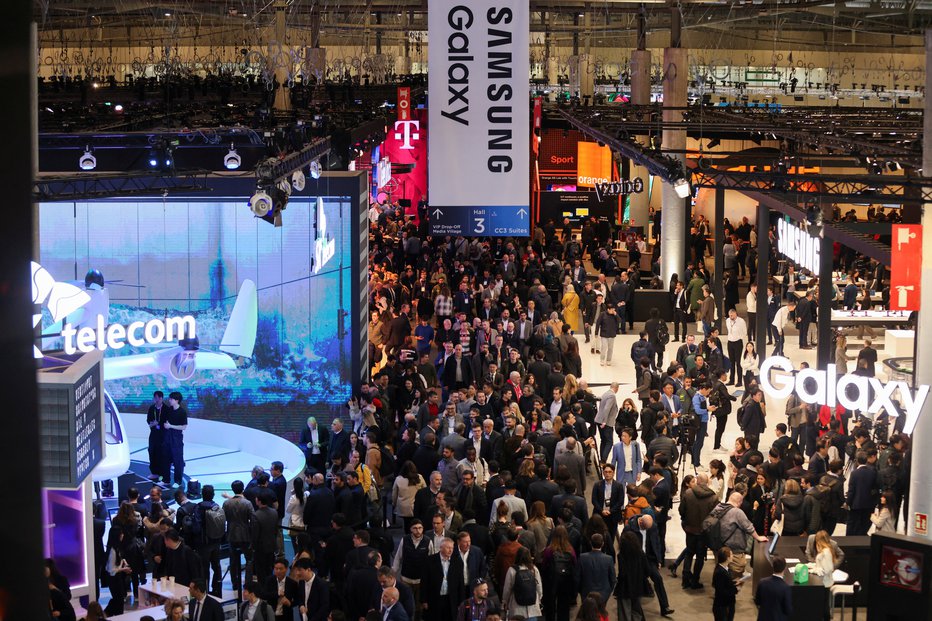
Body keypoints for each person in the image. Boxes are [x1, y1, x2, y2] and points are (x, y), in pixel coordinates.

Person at [622, 514, 673, 617]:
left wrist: (658, 560)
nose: (646, 530)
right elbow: (623, 544)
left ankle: (665, 607)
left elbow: (656, 542)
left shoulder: (652, 526)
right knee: (636, 584)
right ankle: (634, 612)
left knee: (658, 578)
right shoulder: (629, 528)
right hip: (635, 560)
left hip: (649, 559)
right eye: (645, 528)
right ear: (640, 522)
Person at [542, 526, 579, 621]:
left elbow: (544, 566)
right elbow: (574, 566)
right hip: (566, 582)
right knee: (564, 607)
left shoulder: (549, 550)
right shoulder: (571, 550)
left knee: (550, 607)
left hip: (551, 581)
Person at [614, 531, 648, 621]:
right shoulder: (641, 554)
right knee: (636, 611)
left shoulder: (621, 556)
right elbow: (647, 571)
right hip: (638, 587)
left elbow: (622, 574)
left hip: (625, 588)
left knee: (625, 613)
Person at [578, 533, 616, 604]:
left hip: (586, 594)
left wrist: (581, 591)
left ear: (590, 543)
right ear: (603, 544)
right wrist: (607, 592)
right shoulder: (609, 559)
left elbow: (577, 577)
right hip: (603, 595)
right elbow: (613, 579)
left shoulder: (582, 558)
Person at [754, 555, 792, 621]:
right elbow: (788, 610)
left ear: (773, 566)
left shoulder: (762, 582)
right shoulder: (785, 588)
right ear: (784, 568)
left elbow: (757, 601)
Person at [163, 391, 188, 487]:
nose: (169, 400)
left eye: (171, 399)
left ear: (177, 400)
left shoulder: (182, 412)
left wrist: (170, 426)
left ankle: (178, 481)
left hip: (176, 438)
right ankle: (166, 480)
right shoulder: (169, 410)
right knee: (166, 459)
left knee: (178, 460)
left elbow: (184, 427)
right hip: (167, 437)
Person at [712, 547, 740, 621]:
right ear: (727, 558)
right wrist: (735, 589)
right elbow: (721, 591)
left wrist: (734, 583)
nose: (732, 556)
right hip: (723, 607)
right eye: (731, 554)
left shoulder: (726, 569)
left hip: (727, 605)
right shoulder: (720, 572)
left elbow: (726, 583)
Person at [146, 390, 169, 482]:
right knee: (152, 451)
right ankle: (154, 472)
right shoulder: (152, 408)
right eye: (154, 397)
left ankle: (162, 474)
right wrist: (152, 424)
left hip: (163, 435)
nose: (155, 399)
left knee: (161, 453)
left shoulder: (166, 409)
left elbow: (167, 422)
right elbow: (148, 420)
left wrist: (158, 424)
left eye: (156, 398)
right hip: (153, 433)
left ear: (161, 398)